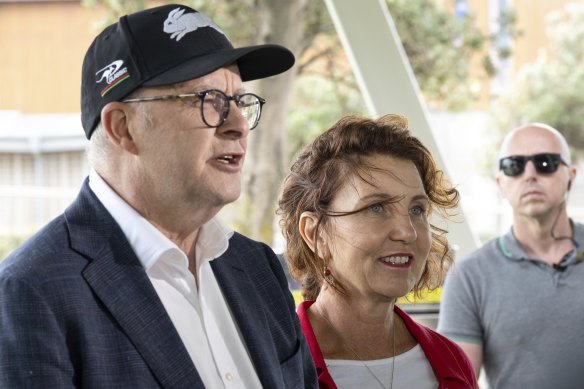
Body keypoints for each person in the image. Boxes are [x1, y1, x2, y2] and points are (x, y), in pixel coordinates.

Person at [0, 4, 317, 388]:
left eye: (240, 102)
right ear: (124, 128)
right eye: (209, 100)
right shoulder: (31, 292)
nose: (237, 125)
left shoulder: (256, 267)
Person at [277, 114, 478, 389]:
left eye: (416, 209)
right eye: (376, 207)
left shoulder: (452, 360)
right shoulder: (274, 367)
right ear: (315, 233)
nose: (408, 232)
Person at [438, 123, 583, 389]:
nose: (529, 175)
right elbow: (458, 383)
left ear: (570, 175)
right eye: (513, 165)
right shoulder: (469, 276)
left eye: (545, 163)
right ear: (500, 183)